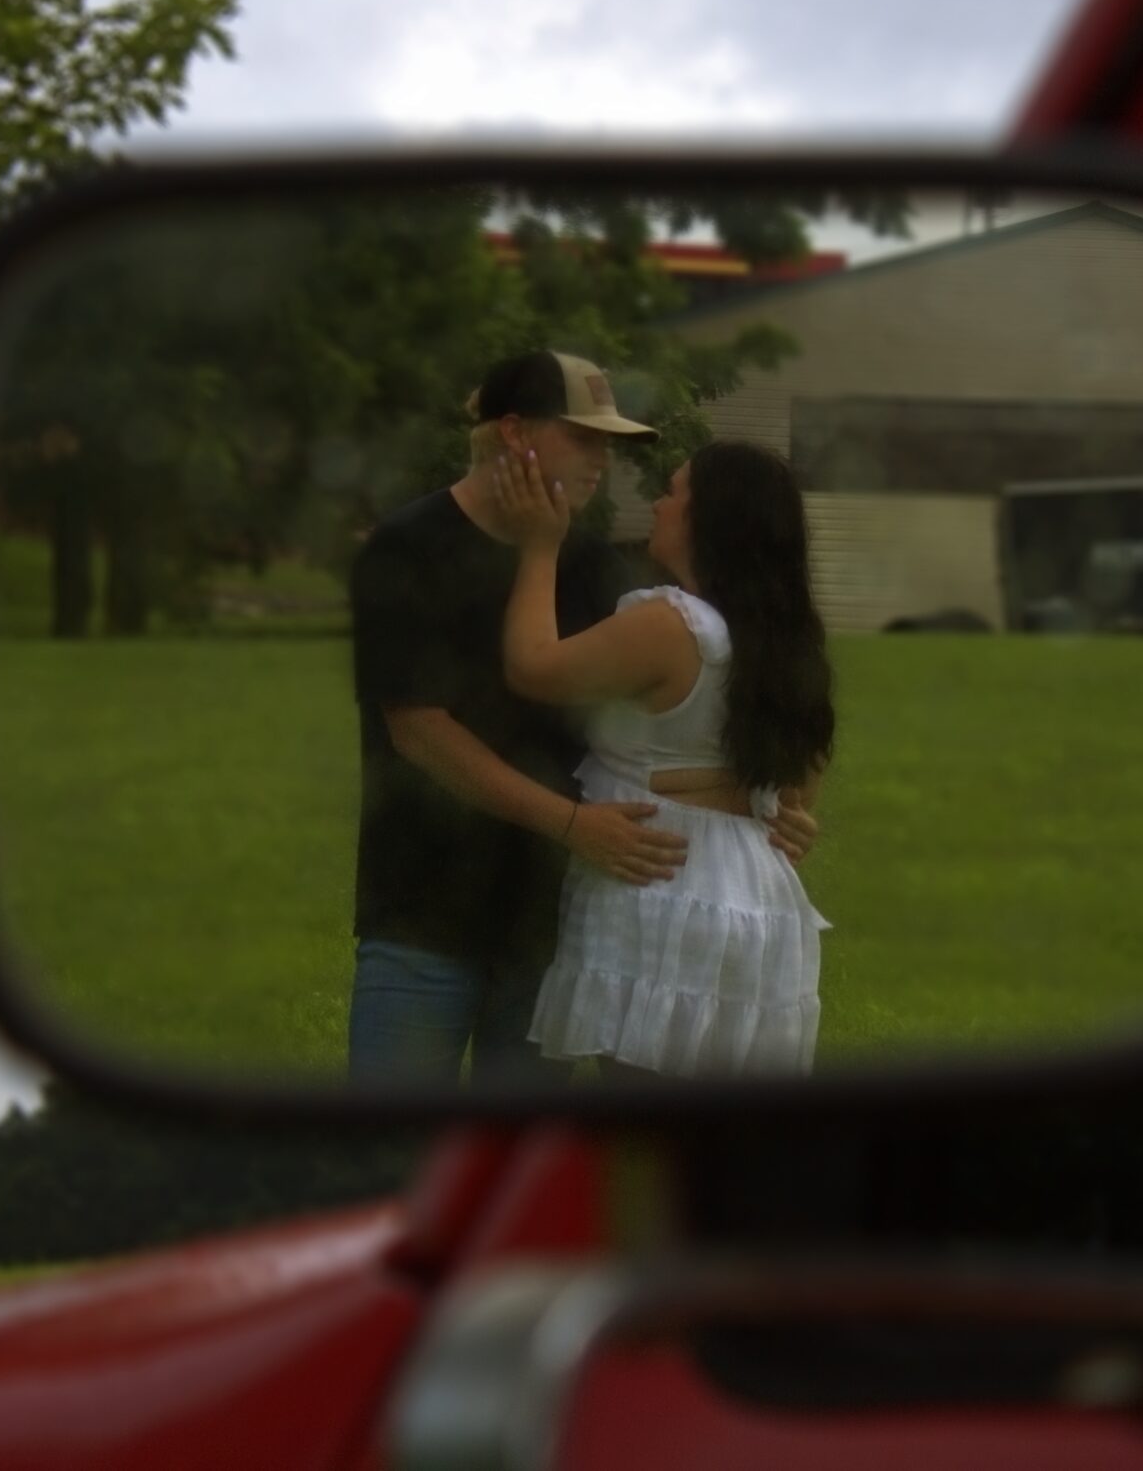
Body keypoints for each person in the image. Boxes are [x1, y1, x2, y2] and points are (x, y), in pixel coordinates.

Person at [345, 351, 817, 1085]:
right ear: (513, 432)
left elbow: (707, 695)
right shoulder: (408, 548)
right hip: (424, 911)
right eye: (584, 437)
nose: (604, 460)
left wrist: (771, 803)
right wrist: (571, 823)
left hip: (551, 920)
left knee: (527, 1149)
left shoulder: (596, 567)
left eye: (609, 442)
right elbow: (419, 732)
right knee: (390, 1140)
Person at [491, 439, 836, 1077]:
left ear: (709, 519)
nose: (657, 504)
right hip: (757, 899)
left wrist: (538, 548)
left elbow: (532, 669)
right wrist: (784, 814)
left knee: (648, 1115)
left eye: (673, 492)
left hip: (662, 881)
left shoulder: (671, 625)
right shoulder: (784, 641)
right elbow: (799, 787)